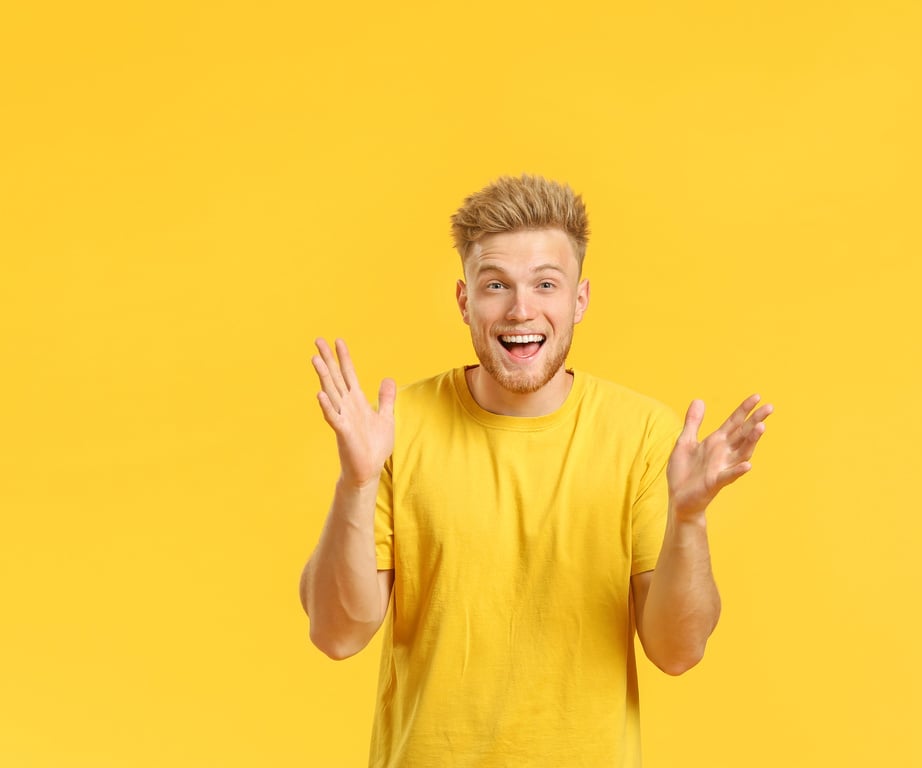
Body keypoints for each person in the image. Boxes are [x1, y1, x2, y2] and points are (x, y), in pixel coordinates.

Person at [299, 174, 773, 767]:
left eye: (545, 284)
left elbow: (677, 651)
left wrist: (690, 518)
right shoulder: (396, 430)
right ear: (464, 299)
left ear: (579, 299)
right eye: (496, 284)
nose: (521, 310)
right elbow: (337, 634)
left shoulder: (645, 436)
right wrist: (357, 482)